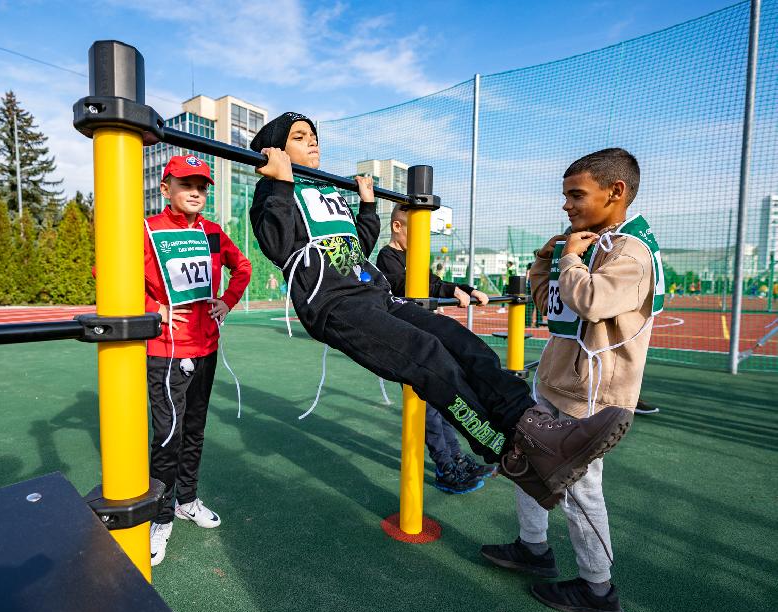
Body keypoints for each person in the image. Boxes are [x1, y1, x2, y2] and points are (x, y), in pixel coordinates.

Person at [247, 112, 633, 510]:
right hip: (334, 305)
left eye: (313, 135)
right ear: (275, 148)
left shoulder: (326, 190)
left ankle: (538, 429)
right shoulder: (275, 190)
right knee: (426, 357)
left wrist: (366, 206)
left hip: (374, 295)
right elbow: (277, 245)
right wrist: (278, 181)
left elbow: (358, 245)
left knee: (463, 343)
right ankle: (509, 453)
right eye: (299, 137)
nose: (313, 141)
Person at [481, 148, 661, 612]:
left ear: (616, 191)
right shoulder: (591, 243)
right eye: (565, 195)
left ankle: (598, 588)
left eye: (576, 194)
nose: (566, 205)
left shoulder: (632, 252)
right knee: (524, 461)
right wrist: (548, 258)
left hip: (592, 397)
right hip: (556, 382)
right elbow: (551, 302)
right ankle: (532, 547)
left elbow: (591, 300)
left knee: (581, 491)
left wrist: (572, 258)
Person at [144, 155, 252, 566]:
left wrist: (227, 301)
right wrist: (153, 306)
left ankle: (186, 500)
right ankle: (160, 517)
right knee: (167, 438)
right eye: (186, 183)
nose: (195, 192)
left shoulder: (211, 232)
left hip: (206, 347)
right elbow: (109, 273)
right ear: (165, 187)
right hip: (167, 352)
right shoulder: (147, 230)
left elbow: (241, 267)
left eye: (202, 185)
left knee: (194, 431)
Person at [376, 203, 496, 494]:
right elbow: (405, 284)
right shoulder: (387, 257)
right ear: (397, 227)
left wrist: (465, 289)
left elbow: (435, 283)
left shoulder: (414, 256)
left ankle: (456, 459)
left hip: (424, 341)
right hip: (406, 343)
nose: (422, 241)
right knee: (428, 410)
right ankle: (445, 467)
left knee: (440, 404)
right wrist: (447, 291)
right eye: (417, 233)